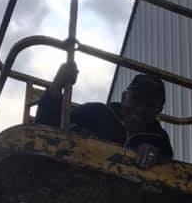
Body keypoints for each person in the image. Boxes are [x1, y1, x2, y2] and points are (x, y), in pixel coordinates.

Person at [35, 61, 173, 169]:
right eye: (135, 99)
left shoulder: (160, 140)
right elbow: (46, 127)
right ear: (124, 97)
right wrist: (57, 86)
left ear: (158, 111)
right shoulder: (95, 112)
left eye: (149, 105)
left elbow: (170, 175)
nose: (140, 109)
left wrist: (158, 158)